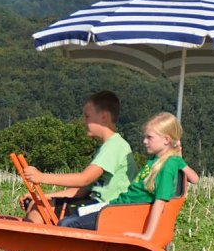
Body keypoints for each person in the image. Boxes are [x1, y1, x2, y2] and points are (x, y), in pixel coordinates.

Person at [59, 112, 198, 241]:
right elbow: (195, 179)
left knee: (67, 224)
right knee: (73, 214)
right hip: (117, 206)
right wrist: (179, 153)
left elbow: (160, 203)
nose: (144, 141)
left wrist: (147, 236)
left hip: (124, 212)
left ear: (166, 139)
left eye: (149, 137)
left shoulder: (166, 167)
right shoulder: (164, 160)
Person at [21, 91, 138, 223]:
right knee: (38, 204)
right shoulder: (109, 146)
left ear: (104, 117)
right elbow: (81, 191)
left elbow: (84, 179)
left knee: (39, 209)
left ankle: (26, 236)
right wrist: (41, 197)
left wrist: (41, 177)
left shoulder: (114, 146)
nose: (84, 121)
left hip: (107, 209)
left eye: (87, 116)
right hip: (96, 204)